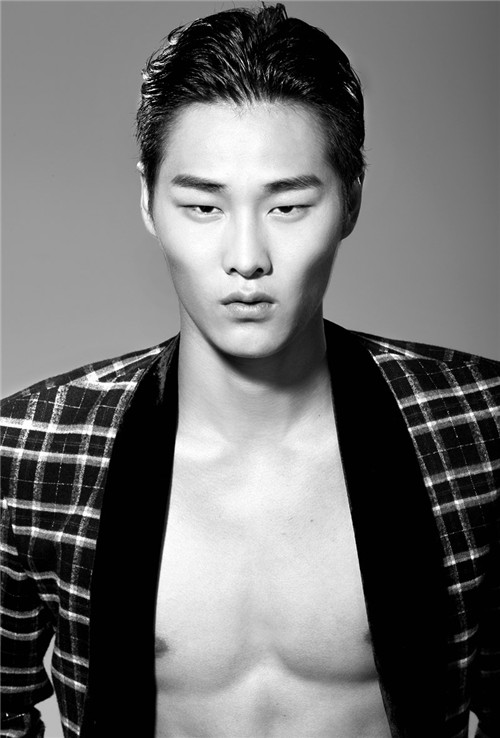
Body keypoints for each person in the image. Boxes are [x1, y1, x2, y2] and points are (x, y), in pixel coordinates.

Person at [1, 4, 498, 737]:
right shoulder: (31, 452)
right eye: (203, 206)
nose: (246, 258)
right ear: (148, 201)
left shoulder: (480, 428)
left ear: (352, 199)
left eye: (288, 206)